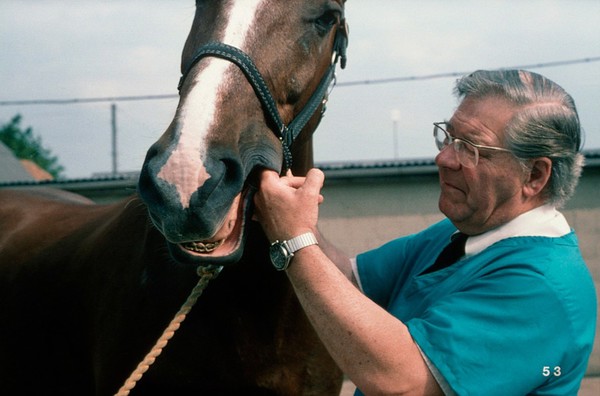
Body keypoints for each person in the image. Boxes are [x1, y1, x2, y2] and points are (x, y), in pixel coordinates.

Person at [253, 69, 597, 395]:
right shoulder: (460, 233)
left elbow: (404, 383)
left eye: (471, 148)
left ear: (535, 176)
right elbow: (350, 281)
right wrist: (294, 220)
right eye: (449, 137)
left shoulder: (543, 287)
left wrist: (294, 240)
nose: (444, 158)